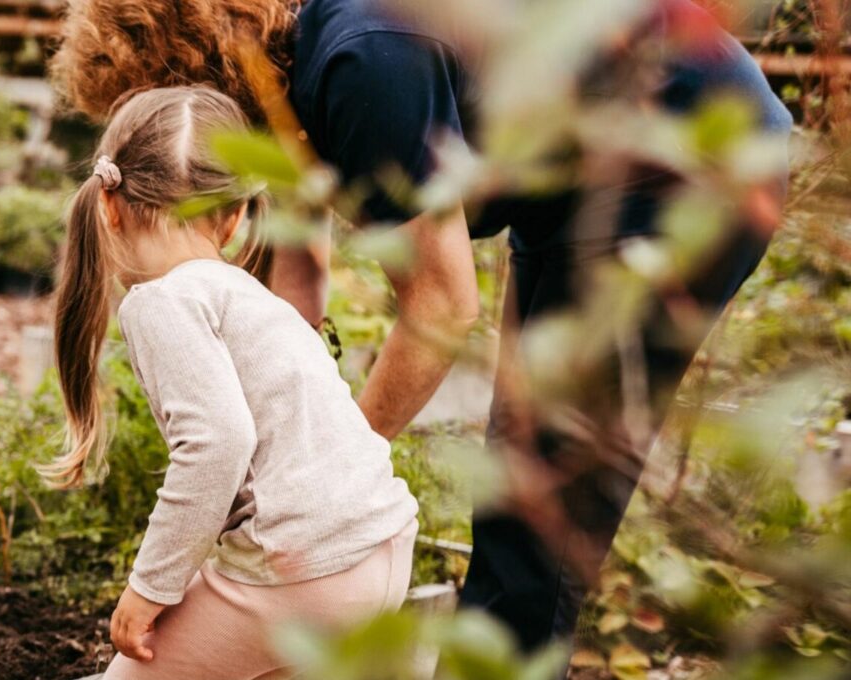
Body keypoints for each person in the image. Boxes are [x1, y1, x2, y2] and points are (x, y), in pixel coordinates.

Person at [51, 0, 791, 654]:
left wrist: (328, 482)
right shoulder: (293, 84)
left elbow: (442, 303)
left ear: (187, 77)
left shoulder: (362, 60)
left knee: (538, 511)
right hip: (579, 196)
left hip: (688, 168)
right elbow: (295, 282)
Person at [48, 86, 420, 678]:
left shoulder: (162, 300)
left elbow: (217, 445)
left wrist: (150, 587)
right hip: (381, 554)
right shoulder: (248, 296)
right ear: (234, 218)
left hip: (300, 575)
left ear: (108, 204)